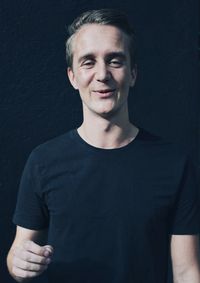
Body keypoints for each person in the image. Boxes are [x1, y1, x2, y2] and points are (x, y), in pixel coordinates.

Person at [7, 8, 200, 283]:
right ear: (72, 76)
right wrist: (20, 263)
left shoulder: (175, 164)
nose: (102, 74)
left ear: (132, 73)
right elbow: (17, 252)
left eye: (115, 61)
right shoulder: (43, 161)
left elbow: (186, 271)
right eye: (88, 62)